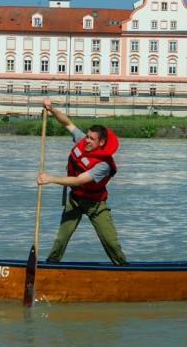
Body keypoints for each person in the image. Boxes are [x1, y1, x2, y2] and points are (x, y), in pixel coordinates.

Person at [37, 99, 128, 265]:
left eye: (92, 139)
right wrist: (52, 109)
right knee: (61, 239)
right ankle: (51, 266)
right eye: (87, 136)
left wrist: (50, 179)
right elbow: (67, 123)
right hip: (75, 200)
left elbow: (79, 180)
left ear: (101, 143)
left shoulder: (103, 165)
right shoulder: (82, 141)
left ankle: (123, 268)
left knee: (111, 242)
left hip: (96, 204)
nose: (87, 140)